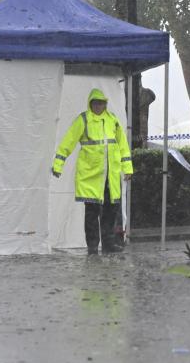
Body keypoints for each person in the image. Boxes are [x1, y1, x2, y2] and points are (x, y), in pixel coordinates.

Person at [52, 88, 134, 254]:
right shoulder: (83, 120)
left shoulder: (113, 120)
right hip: (90, 176)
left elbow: (123, 145)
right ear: (90, 104)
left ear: (105, 104)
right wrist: (58, 165)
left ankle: (108, 244)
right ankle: (92, 247)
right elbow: (68, 142)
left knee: (111, 211)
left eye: (101, 103)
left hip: (110, 176)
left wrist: (128, 168)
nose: (98, 106)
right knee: (92, 214)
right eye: (95, 103)